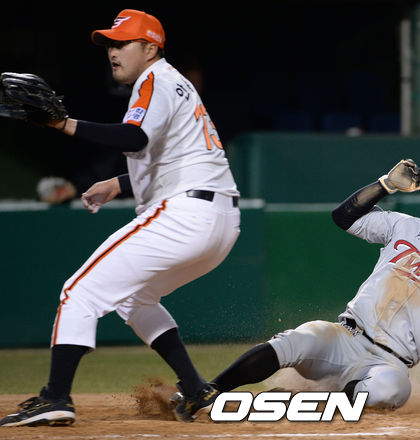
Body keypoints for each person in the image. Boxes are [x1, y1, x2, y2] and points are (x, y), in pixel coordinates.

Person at [0, 9, 240, 427]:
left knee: (78, 292)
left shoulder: (154, 80)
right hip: (220, 220)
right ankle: (195, 388)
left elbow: (134, 137)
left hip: (185, 215)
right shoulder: (177, 85)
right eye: (110, 44)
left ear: (150, 48)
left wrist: (61, 123)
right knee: (134, 299)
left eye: (123, 42)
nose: (113, 51)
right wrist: (119, 183)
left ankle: (55, 396)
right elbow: (182, 157)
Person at [205, 159, 420, 416]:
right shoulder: (407, 228)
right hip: (345, 336)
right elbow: (343, 217)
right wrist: (385, 185)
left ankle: (317, 401)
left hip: (388, 365)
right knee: (297, 340)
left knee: (393, 390)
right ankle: (208, 391)